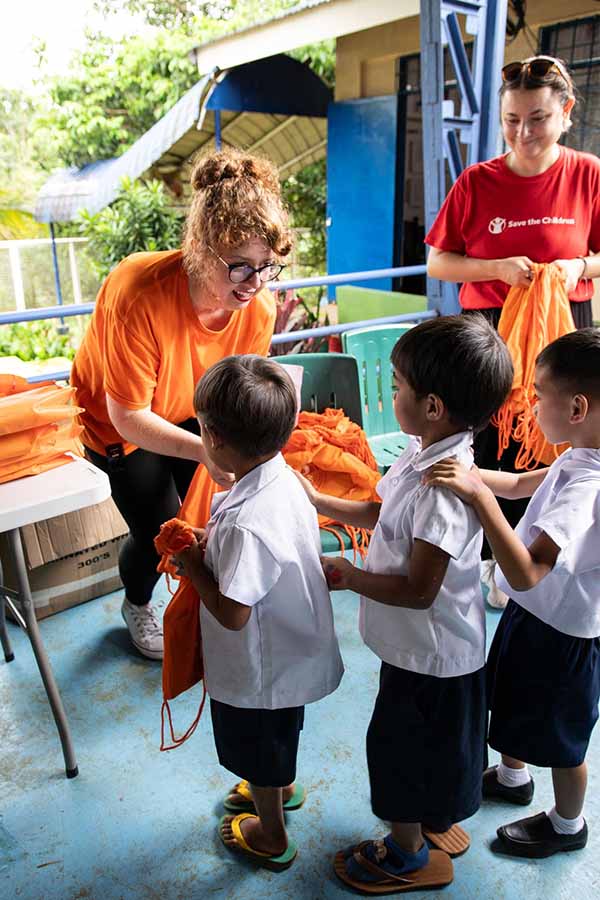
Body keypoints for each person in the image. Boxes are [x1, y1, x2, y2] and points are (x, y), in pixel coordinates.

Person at [296, 316, 514, 891]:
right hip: (431, 651)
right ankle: (438, 819)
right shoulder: (423, 455)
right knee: (440, 748)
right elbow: (380, 513)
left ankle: (407, 853)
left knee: (398, 752)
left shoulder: (445, 490)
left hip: (430, 655)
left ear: (434, 406)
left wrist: (348, 576)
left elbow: (420, 590)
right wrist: (320, 499)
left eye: (396, 388)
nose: (391, 396)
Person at [70, 148, 292, 659]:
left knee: (220, 513)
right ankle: (137, 602)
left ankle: (210, 601)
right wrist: (207, 453)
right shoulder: (139, 291)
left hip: (194, 407)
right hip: (120, 423)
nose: (255, 284)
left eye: (267, 267)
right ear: (199, 247)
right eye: (240, 268)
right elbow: (129, 417)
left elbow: (240, 386)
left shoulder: (256, 303)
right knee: (160, 531)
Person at [425, 55, 600, 608]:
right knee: (493, 437)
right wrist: (497, 269)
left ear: (566, 112)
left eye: (539, 118)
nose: (524, 132)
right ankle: (485, 556)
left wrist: (581, 268)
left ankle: (544, 550)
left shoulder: (587, 174)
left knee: (562, 438)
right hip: (491, 328)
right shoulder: (478, 181)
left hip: (564, 330)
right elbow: (439, 262)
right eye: (512, 120)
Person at [425, 328, 600, 859]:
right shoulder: (580, 456)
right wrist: (471, 473)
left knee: (563, 741)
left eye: (538, 393)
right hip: (537, 618)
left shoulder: (587, 488)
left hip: (563, 634)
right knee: (515, 700)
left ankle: (567, 825)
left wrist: (478, 498)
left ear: (575, 407)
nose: (530, 403)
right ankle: (512, 775)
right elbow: (525, 485)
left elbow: (527, 571)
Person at [172, 354, 344, 871]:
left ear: (215, 439)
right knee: (278, 737)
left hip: (261, 667)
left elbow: (233, 614)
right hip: (287, 654)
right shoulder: (280, 477)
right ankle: (283, 787)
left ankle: (271, 835)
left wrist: (192, 566)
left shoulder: (248, 521)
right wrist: (210, 542)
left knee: (260, 751)